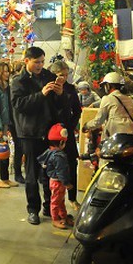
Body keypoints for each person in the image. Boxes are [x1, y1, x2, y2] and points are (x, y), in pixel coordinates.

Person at [11, 46, 67, 226]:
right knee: (32, 173)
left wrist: (59, 94)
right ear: (26, 61)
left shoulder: (48, 77)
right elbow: (19, 105)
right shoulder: (18, 81)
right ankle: (33, 210)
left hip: (48, 132)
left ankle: (49, 206)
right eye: (36, 62)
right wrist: (40, 94)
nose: (40, 65)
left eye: (42, 62)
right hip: (29, 133)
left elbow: (57, 105)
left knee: (50, 171)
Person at [49, 60, 82, 211]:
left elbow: (77, 110)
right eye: (60, 75)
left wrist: (70, 125)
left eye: (66, 75)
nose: (63, 78)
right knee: (52, 167)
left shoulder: (70, 89)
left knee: (71, 164)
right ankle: (52, 203)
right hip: (50, 133)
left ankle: (73, 198)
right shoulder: (48, 88)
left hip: (66, 133)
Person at [37, 123, 74, 230]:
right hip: (58, 183)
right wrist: (67, 183)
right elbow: (61, 172)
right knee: (56, 201)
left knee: (60, 200)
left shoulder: (49, 152)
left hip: (54, 181)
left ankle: (63, 216)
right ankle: (55, 219)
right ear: (62, 142)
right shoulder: (59, 156)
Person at [84, 72, 133, 139]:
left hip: (116, 137)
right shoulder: (129, 99)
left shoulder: (107, 98)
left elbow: (98, 121)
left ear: (108, 86)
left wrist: (86, 125)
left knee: (99, 149)